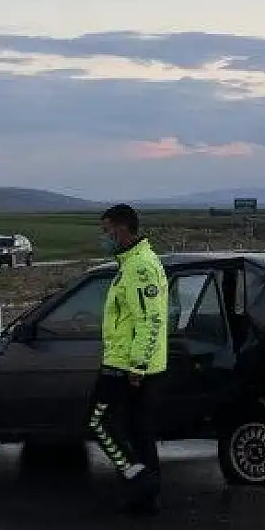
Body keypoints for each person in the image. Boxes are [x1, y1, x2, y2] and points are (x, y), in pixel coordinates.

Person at [88, 204, 168, 514]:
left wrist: (136, 367)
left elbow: (150, 319)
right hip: (134, 363)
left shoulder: (140, 267)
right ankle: (146, 495)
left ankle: (137, 475)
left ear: (122, 229)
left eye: (106, 231)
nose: (104, 238)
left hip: (126, 366)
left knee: (99, 422)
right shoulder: (134, 263)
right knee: (139, 430)